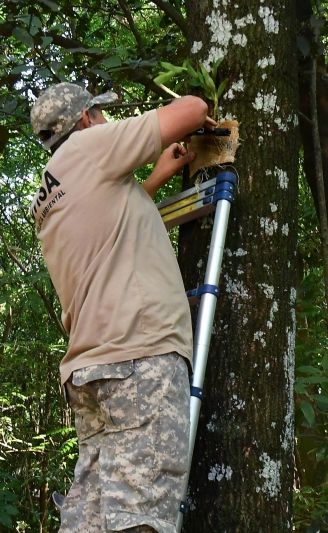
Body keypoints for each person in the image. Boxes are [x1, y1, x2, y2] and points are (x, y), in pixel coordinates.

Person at [28, 82, 214, 533]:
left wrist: (155, 176)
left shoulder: (48, 192)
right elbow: (194, 109)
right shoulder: (92, 146)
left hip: (91, 374)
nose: (106, 121)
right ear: (86, 119)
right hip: (138, 359)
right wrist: (193, 114)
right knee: (140, 518)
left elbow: (109, 227)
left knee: (90, 521)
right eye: (101, 113)